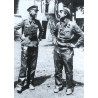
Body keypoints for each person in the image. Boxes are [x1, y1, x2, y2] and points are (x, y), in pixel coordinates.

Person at [53, 7, 84, 95]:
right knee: (57, 69)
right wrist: (54, 40)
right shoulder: (58, 24)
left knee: (68, 70)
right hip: (57, 49)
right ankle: (58, 85)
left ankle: (69, 87)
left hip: (67, 50)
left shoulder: (72, 25)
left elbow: (82, 35)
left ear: (65, 14)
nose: (59, 14)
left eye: (61, 12)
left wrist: (75, 45)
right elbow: (54, 32)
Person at [14, 5, 43, 93]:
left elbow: (42, 30)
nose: (36, 12)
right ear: (30, 11)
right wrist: (20, 37)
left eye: (37, 11)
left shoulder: (38, 22)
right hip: (26, 46)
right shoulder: (24, 21)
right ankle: (20, 84)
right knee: (24, 66)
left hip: (34, 45)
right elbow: (14, 28)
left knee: (33, 66)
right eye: (34, 11)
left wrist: (39, 39)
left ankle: (30, 83)